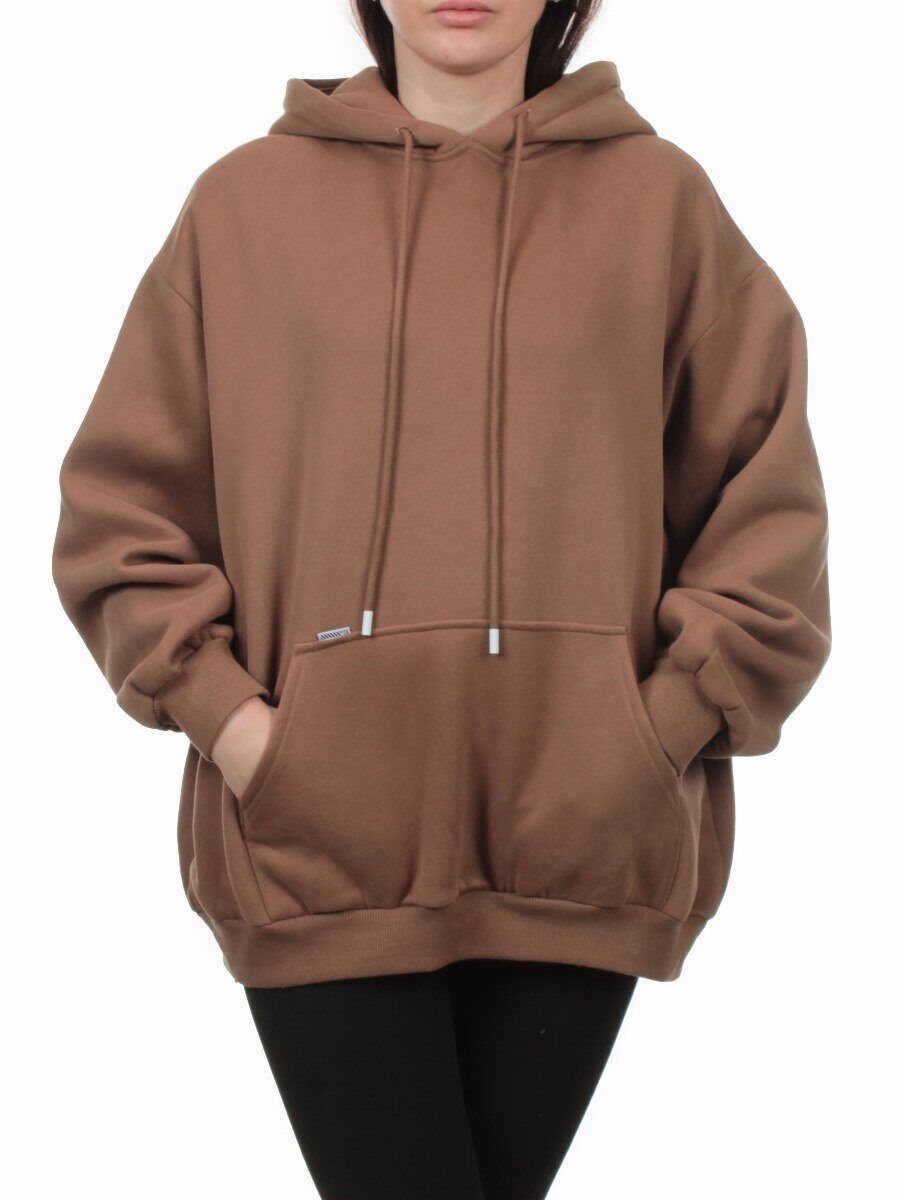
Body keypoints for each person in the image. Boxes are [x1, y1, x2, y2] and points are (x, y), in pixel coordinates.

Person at [52, 2, 831, 1197]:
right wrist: (245, 732)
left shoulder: (663, 204)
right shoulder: (242, 207)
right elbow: (120, 517)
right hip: (317, 847)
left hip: (580, 844)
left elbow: (766, 508)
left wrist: (653, 734)